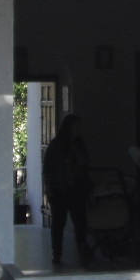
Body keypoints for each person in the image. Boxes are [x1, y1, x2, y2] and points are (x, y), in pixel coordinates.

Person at [42, 114, 92, 267]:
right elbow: (48, 169)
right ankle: (57, 253)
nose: (78, 130)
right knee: (59, 223)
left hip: (77, 189)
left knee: (80, 222)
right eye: (76, 127)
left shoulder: (79, 145)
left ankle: (82, 250)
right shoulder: (56, 145)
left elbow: (86, 165)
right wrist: (49, 189)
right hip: (60, 189)